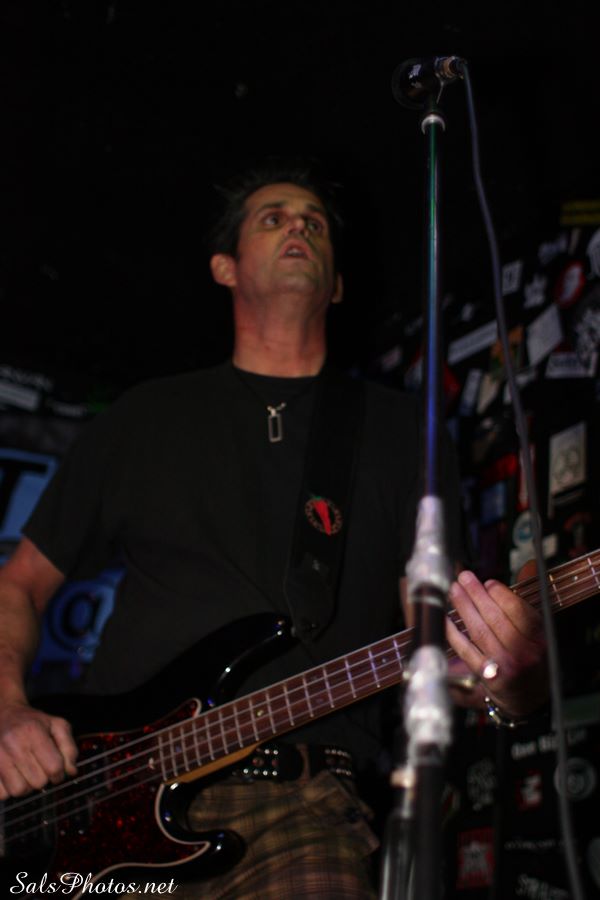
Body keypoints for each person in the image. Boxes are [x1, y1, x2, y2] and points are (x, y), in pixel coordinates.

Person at [0, 157, 547, 898]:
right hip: (99, 808)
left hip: (300, 808)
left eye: (315, 223)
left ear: (338, 285)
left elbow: (439, 650)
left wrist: (509, 683)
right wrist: (7, 709)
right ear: (224, 267)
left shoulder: (402, 434)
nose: (299, 228)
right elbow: (20, 586)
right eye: (274, 218)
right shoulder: (143, 418)